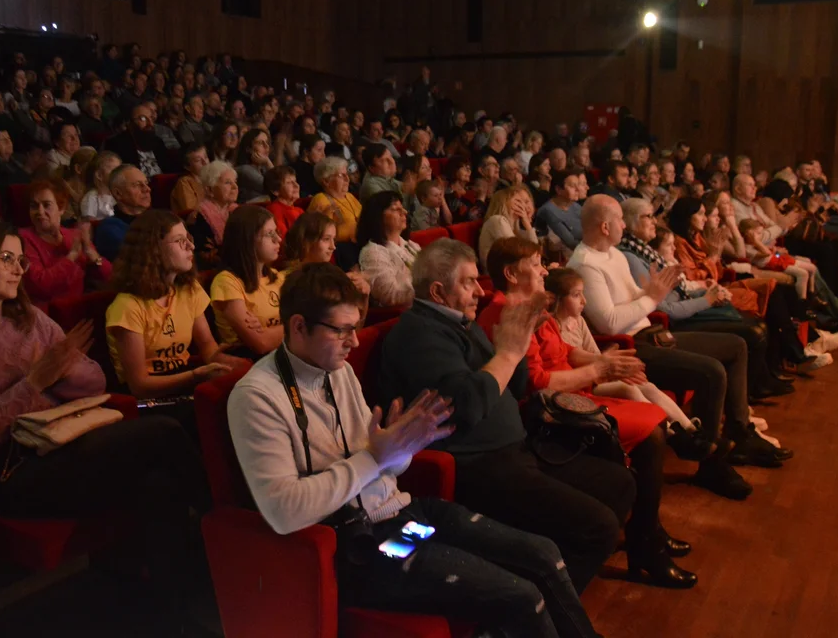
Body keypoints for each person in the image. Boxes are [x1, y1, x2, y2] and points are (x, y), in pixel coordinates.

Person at [228, 262, 600, 638]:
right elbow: (283, 511)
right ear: (298, 326)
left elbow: (384, 466)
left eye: (355, 328)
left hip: (402, 518)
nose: (354, 342)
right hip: (367, 549)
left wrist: (404, 445)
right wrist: (375, 456)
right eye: (341, 330)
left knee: (543, 556)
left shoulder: (336, 370)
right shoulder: (257, 396)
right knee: (521, 595)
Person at [0, 221, 210, 629]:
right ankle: (231, 531)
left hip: (66, 443)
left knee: (158, 479)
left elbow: (95, 380)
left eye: (21, 260)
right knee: (162, 431)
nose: (20, 269)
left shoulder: (30, 318)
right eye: (6, 259)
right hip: (11, 469)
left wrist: (53, 372)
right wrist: (37, 381)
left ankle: (173, 614)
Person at [378, 239, 637, 620]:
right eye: (468, 282)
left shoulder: (461, 323)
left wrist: (520, 334)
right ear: (438, 291)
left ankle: (554, 590)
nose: (480, 290)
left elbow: (514, 385)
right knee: (598, 527)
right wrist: (509, 353)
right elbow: (464, 407)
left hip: (518, 451)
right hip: (478, 466)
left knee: (620, 483)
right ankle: (538, 617)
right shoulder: (419, 334)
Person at [476, 238, 696, 588]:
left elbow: (564, 349)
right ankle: (646, 544)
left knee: (651, 418)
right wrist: (600, 371)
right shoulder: (507, 313)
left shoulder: (530, 304)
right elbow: (536, 384)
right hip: (543, 417)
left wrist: (604, 361)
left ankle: (648, 531)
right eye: (535, 264)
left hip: (568, 398)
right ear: (510, 274)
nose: (544, 269)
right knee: (652, 436)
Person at [570, 195, 790, 497]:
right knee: (711, 371)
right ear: (606, 226)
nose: (624, 225)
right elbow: (610, 323)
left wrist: (650, 293)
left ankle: (739, 430)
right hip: (629, 346)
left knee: (736, 346)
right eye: (620, 220)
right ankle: (711, 465)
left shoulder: (613, 254)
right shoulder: (584, 264)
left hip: (651, 332)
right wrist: (652, 297)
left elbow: (638, 295)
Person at [622, 199, 801, 398]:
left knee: (765, 305)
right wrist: (707, 296)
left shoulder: (648, 252)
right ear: (629, 222)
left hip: (692, 301)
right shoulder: (635, 256)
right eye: (648, 216)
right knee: (753, 327)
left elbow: (685, 287)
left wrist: (707, 291)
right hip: (672, 322)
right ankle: (758, 385)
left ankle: (772, 370)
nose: (654, 221)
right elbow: (668, 306)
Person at [546, 266, 710, 456]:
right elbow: (570, 366)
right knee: (628, 388)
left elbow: (595, 354)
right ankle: (671, 433)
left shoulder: (579, 321)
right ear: (557, 299)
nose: (584, 301)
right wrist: (610, 371)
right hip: (583, 384)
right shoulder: (552, 327)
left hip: (597, 375)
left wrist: (619, 369)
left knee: (646, 386)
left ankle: (690, 429)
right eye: (576, 295)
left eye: (583, 294)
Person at [106, 210, 248, 399]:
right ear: (154, 249)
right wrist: (195, 376)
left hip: (185, 378)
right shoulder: (127, 306)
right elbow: (140, 385)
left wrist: (239, 365)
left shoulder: (188, 289)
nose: (191, 246)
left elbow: (209, 350)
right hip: (150, 398)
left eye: (188, 238)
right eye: (180, 240)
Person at [210, 205, 287, 358]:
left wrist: (270, 331)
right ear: (247, 240)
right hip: (251, 362)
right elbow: (260, 343)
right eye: (269, 234)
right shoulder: (226, 281)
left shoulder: (277, 276)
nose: (278, 239)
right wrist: (295, 327)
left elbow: (306, 320)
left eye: (276, 232)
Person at [19, 179, 111, 303]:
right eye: (34, 206)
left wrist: (91, 253)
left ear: (61, 208)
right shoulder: (23, 238)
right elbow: (41, 285)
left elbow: (110, 277)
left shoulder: (73, 235)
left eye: (46, 205)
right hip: (46, 313)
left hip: (79, 308)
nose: (40, 212)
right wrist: (71, 257)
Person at [357, 191, 420, 308]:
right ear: (378, 216)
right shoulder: (372, 253)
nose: (404, 212)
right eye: (396, 209)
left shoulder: (411, 245)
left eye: (403, 208)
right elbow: (390, 295)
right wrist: (427, 287)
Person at [188, 161, 239, 271]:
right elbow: (204, 257)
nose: (235, 187)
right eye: (227, 183)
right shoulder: (198, 217)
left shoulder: (237, 211)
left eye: (235, 182)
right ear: (210, 190)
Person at [94, 165, 151, 262]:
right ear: (118, 193)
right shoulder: (110, 229)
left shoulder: (158, 218)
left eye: (146, 183)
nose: (147, 189)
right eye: (137, 185)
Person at [478, 186, 538, 270]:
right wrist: (527, 225)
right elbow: (517, 253)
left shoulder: (514, 224)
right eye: (518, 201)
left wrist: (527, 224)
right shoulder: (497, 220)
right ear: (503, 203)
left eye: (526, 202)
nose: (524, 206)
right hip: (498, 275)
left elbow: (535, 252)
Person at [104, 104, 170, 177]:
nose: (150, 123)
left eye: (151, 118)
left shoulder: (158, 142)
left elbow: (169, 168)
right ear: (129, 123)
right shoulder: (116, 144)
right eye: (142, 118)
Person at [308, 156, 362, 244]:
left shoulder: (350, 196)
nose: (347, 179)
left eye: (347, 174)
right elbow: (317, 234)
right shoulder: (320, 200)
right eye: (341, 175)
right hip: (342, 248)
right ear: (326, 181)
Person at [535, 170, 583, 253]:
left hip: (583, 248)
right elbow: (571, 243)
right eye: (572, 186)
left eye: (578, 185)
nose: (578, 189)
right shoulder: (548, 211)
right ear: (559, 189)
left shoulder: (575, 205)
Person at [263, 165, 303, 240]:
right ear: (275, 191)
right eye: (289, 182)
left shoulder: (299, 210)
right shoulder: (273, 211)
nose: (296, 185)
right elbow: (284, 241)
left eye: (295, 181)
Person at [235, 128, 275, 203]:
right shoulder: (244, 170)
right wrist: (267, 162)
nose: (266, 146)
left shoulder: (263, 169)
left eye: (267, 142)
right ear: (248, 149)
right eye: (260, 143)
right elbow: (277, 188)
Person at [80, 151, 121, 220]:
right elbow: (88, 224)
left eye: (120, 170)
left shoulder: (118, 195)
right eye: (114, 170)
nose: (120, 174)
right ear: (99, 175)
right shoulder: (91, 198)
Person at [169, 143, 209, 214]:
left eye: (206, 157)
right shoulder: (184, 182)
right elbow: (191, 211)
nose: (205, 162)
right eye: (198, 160)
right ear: (187, 167)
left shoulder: (211, 178)